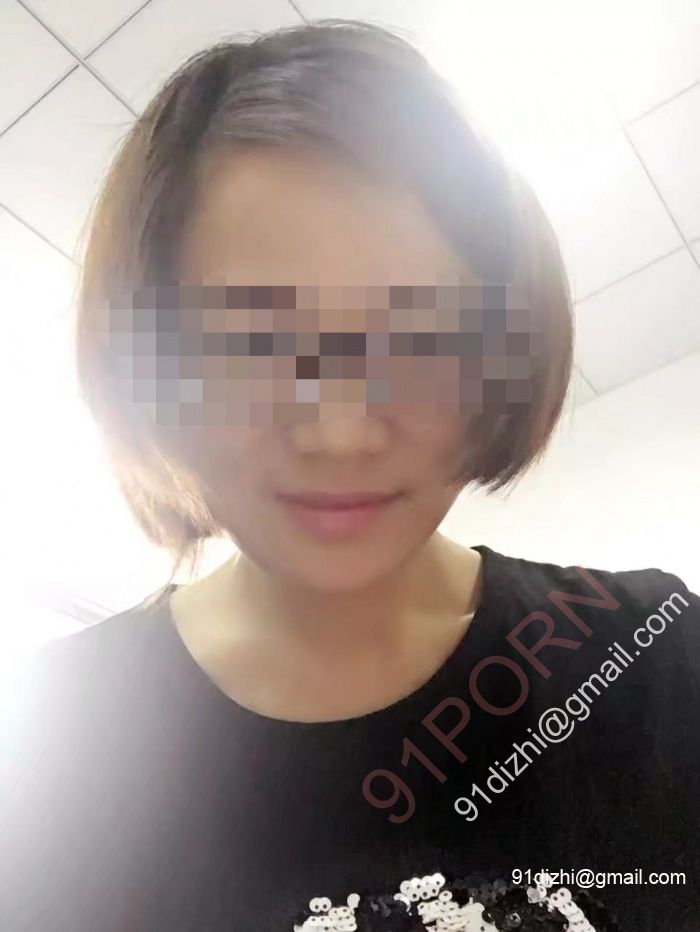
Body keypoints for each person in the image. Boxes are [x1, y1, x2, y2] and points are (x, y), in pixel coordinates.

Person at [3, 19, 699, 932]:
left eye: (420, 338)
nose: (339, 432)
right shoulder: (48, 757)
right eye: (250, 347)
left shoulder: (651, 660)